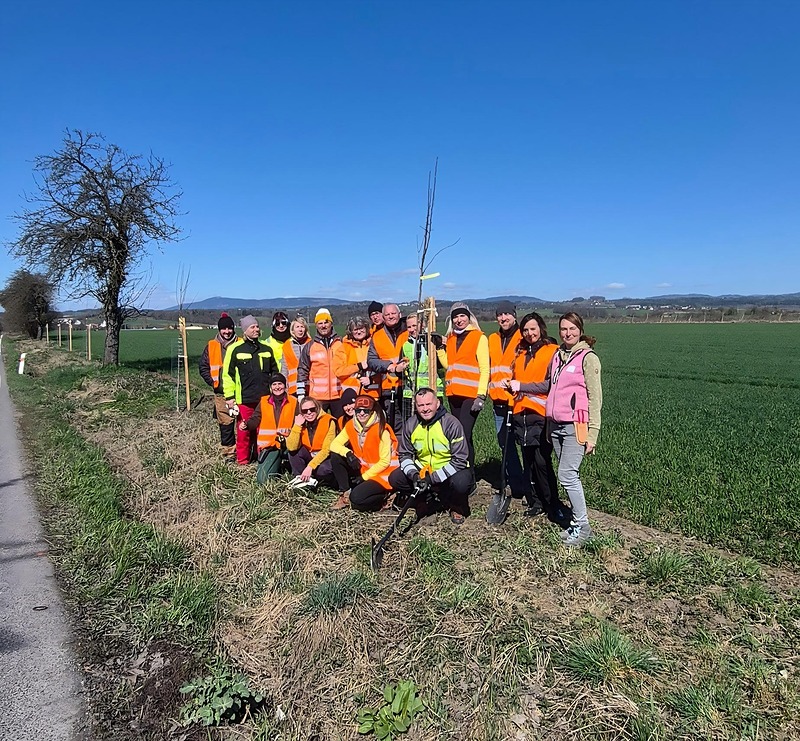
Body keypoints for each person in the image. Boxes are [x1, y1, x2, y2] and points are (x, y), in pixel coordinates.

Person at [524, 312, 603, 547]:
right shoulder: (558, 355)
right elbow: (550, 385)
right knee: (567, 475)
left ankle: (583, 527)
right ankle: (576, 523)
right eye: (563, 329)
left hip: (575, 426)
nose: (567, 333)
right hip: (555, 425)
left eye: (572, 329)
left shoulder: (588, 358)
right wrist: (522, 387)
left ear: (580, 330)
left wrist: (593, 434)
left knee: (567, 475)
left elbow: (595, 398)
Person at [505, 312, 563, 520]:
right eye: (526, 330)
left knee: (542, 462)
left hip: (541, 414)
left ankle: (552, 503)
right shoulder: (520, 353)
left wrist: (523, 386)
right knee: (528, 462)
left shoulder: (552, 351)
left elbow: (550, 384)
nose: (530, 333)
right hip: (521, 414)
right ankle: (536, 502)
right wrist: (512, 387)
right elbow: (517, 380)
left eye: (533, 328)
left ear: (541, 328)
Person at [388, 387, 472, 524]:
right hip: (423, 471)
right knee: (395, 478)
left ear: (437, 403)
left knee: (461, 482)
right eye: (421, 405)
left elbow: (460, 460)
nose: (425, 409)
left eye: (428, 404)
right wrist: (414, 475)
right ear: (416, 406)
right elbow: (404, 455)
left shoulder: (451, 424)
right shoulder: (410, 424)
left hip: (449, 470)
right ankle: (424, 500)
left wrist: (432, 479)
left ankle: (456, 505)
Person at [488, 301, 532, 501]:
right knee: (505, 444)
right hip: (498, 401)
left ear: (514, 315)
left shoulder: (523, 337)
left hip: (519, 401)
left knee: (524, 443)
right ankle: (516, 485)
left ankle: (530, 484)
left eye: (506, 314)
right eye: (500, 314)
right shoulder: (492, 339)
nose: (503, 318)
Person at [222, 315, 279, 465]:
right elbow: (228, 375)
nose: (256, 329)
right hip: (244, 399)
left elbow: (275, 373)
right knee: (244, 431)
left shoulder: (267, 349)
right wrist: (229, 397)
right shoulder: (234, 349)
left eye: (257, 326)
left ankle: (263, 461)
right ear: (245, 331)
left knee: (264, 431)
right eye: (252, 327)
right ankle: (243, 461)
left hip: (265, 399)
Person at [328, 395, 399, 511]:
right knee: (336, 456)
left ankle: (388, 496)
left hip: (382, 474)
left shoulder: (381, 430)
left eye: (366, 410)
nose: (361, 413)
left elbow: (385, 462)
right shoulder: (351, 425)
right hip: (364, 468)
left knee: (357, 499)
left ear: (372, 412)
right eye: (358, 410)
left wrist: (363, 477)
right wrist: (348, 454)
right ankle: (345, 494)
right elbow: (334, 445)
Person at [443, 301, 489, 472]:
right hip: (454, 394)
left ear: (469, 317)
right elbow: (449, 365)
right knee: (460, 436)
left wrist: (481, 395)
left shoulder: (479, 337)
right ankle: (465, 472)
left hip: (471, 395)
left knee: (463, 435)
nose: (459, 319)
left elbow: (485, 368)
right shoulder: (451, 338)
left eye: (462, 316)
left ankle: (466, 473)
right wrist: (440, 348)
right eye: (455, 316)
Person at [198, 312, 238, 461]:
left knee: (243, 424)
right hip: (221, 393)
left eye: (230, 328)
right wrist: (214, 382)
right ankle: (229, 453)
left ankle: (245, 452)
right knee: (226, 424)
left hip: (240, 392)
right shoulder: (211, 345)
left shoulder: (241, 343)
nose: (227, 332)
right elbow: (203, 367)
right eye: (224, 329)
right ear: (219, 330)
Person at [243, 373, 297, 482]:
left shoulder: (294, 402)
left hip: (289, 445)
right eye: (274, 384)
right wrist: (247, 425)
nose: (277, 387)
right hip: (270, 446)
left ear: (285, 385)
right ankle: (277, 468)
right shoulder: (264, 402)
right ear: (270, 387)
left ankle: (292, 470)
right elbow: (255, 418)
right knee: (262, 480)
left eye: (280, 384)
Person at [367, 303, 409, 437]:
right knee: (394, 428)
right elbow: (371, 360)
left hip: (410, 386)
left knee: (411, 425)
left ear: (400, 315)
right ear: (383, 317)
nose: (391, 316)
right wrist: (389, 365)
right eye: (387, 314)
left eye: (393, 313)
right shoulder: (377, 336)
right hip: (389, 389)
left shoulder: (410, 331)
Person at [297, 308, 344, 417]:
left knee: (341, 427)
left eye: (326, 322)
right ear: (316, 325)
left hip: (339, 395)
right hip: (317, 397)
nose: (323, 326)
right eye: (320, 323)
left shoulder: (341, 343)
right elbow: (302, 370)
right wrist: (301, 392)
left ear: (331, 324)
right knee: (319, 428)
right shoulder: (310, 346)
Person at [400, 312, 446, 420]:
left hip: (433, 393)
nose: (412, 329)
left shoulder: (432, 343)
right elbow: (400, 370)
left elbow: (442, 367)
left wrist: (439, 345)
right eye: (409, 327)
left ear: (422, 325)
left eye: (414, 325)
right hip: (411, 395)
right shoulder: (405, 346)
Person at [285, 396, 337, 489]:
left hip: (325, 458)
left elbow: (327, 449)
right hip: (309, 456)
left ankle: (323, 485)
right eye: (305, 411)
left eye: (312, 409)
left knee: (323, 470)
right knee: (293, 453)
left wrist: (310, 467)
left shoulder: (329, 420)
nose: (309, 413)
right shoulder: (301, 422)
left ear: (317, 408)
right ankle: (302, 481)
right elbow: (291, 447)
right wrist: (297, 426)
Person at [334, 316, 380, 399]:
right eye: (355, 330)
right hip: (350, 396)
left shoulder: (375, 344)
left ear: (366, 328)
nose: (359, 332)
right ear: (350, 332)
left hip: (372, 394)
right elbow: (338, 372)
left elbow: (382, 368)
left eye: (361, 328)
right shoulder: (344, 347)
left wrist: (371, 379)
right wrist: (358, 366)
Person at [281, 317, 310, 396]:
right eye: (297, 327)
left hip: (309, 387)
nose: (300, 330)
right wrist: (284, 389)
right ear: (292, 330)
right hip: (293, 389)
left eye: (302, 327)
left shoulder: (311, 344)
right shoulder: (287, 346)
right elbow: (284, 369)